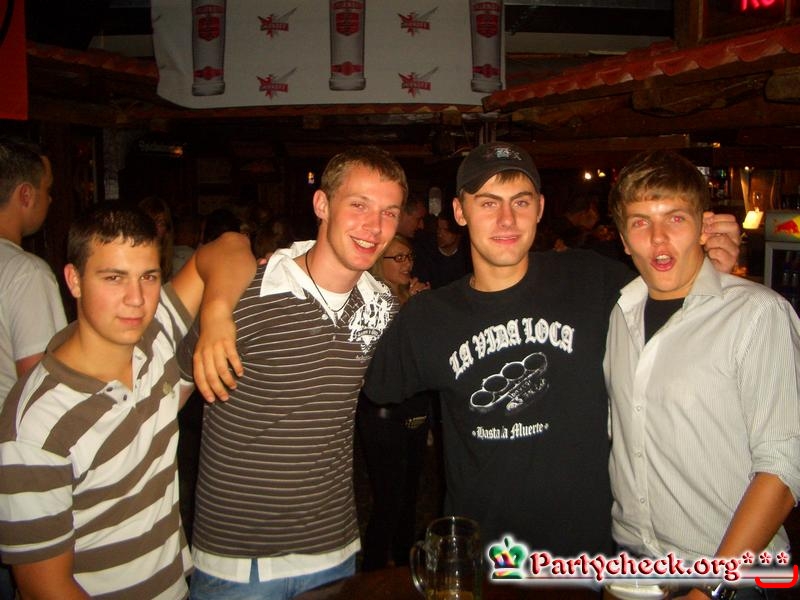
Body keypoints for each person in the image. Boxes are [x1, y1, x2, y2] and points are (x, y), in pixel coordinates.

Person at [359, 142, 742, 557]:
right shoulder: (429, 316)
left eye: (520, 202)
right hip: (487, 557)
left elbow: (672, 300)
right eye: (488, 203)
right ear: (459, 211)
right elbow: (372, 387)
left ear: (540, 208)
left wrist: (702, 269)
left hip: (588, 557)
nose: (507, 219)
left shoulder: (592, 279)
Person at [180, 146, 408, 600]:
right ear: (322, 205)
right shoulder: (249, 291)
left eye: (389, 212)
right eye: (359, 205)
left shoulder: (382, 306)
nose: (374, 226)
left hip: (333, 553)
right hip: (237, 563)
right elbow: (169, 395)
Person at [0, 204, 252, 599]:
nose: (136, 299)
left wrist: (217, 317)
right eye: (114, 278)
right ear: (74, 280)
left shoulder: (155, 339)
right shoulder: (37, 424)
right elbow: (43, 588)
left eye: (148, 277)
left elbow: (232, 246)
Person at [603, 150, 799, 600]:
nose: (658, 239)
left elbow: (784, 468)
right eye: (640, 222)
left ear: (703, 226)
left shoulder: (757, 314)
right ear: (623, 239)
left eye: (675, 218)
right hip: (632, 563)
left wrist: (711, 587)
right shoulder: (620, 313)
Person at [0, 137, 67, 600]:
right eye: (47, 190)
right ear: (25, 194)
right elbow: (40, 387)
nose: (50, 200)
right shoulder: (25, 274)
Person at [357, 234, 431, 570]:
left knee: (410, 494)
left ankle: (403, 566)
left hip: (415, 406)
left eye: (409, 256)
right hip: (382, 413)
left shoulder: (414, 296)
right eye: (398, 258)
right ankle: (374, 570)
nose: (407, 264)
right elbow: (379, 357)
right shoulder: (370, 300)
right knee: (389, 498)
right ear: (378, 264)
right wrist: (410, 310)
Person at [413, 206, 472, 289]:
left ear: (458, 234)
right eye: (438, 228)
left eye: (446, 230)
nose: (440, 233)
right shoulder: (425, 251)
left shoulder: (468, 256)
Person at [139, 195, 175, 281]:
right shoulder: (127, 258)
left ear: (166, 230)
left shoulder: (167, 262)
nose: (154, 228)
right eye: (149, 222)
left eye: (160, 223)